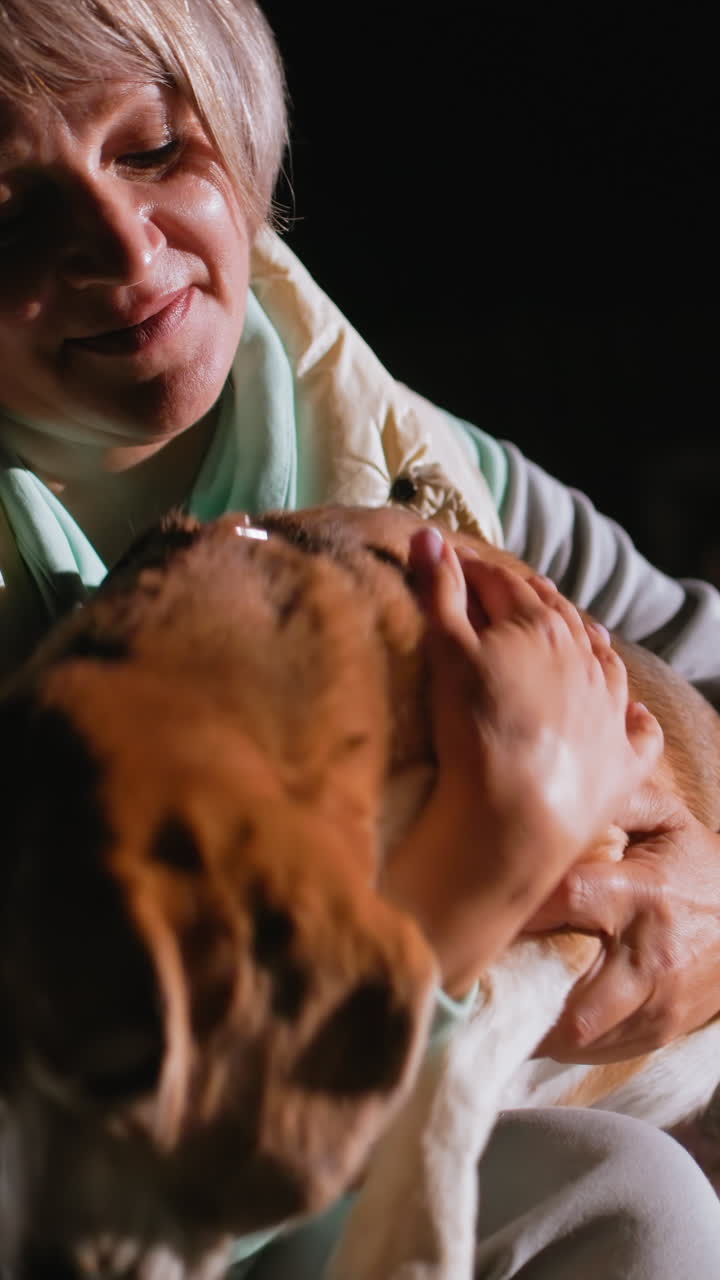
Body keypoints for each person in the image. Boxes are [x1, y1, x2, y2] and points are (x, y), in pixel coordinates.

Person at [1, 1, 720, 1275]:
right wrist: (464, 886)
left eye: (156, 146)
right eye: (7, 209)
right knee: (631, 1201)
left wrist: (706, 895)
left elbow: (699, 658)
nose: (121, 244)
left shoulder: (399, 450)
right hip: (201, 1196)